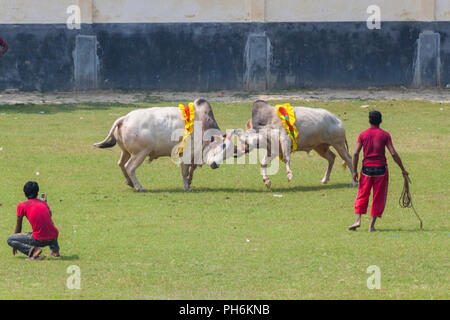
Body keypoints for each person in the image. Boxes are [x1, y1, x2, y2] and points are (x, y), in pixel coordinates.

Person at [349, 111, 408, 232]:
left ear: (369, 120)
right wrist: (403, 169)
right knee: (378, 196)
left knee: (362, 193)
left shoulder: (363, 135)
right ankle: (371, 226)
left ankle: (358, 220)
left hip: (366, 170)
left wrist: (354, 171)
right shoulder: (385, 135)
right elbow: (393, 153)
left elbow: (355, 153)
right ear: (380, 120)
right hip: (381, 170)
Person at [7, 181, 60, 260]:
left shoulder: (22, 205)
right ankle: (55, 251)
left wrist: (15, 244)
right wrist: (45, 202)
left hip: (40, 240)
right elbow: (49, 216)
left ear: (25, 193)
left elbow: (19, 225)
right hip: (53, 237)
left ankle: (34, 251)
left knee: (10, 239)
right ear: (37, 193)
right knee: (49, 226)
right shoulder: (43, 203)